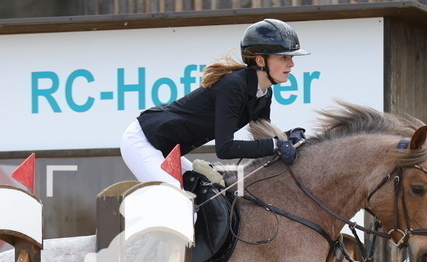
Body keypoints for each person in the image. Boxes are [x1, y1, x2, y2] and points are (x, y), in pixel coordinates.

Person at [120, 18, 309, 186]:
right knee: (179, 203)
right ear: (260, 60)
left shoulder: (265, 93)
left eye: (290, 58)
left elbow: (263, 140)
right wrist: (278, 144)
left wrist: (288, 137)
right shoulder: (234, 86)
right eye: (283, 57)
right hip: (144, 142)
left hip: (167, 148)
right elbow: (225, 149)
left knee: (206, 194)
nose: (291, 64)